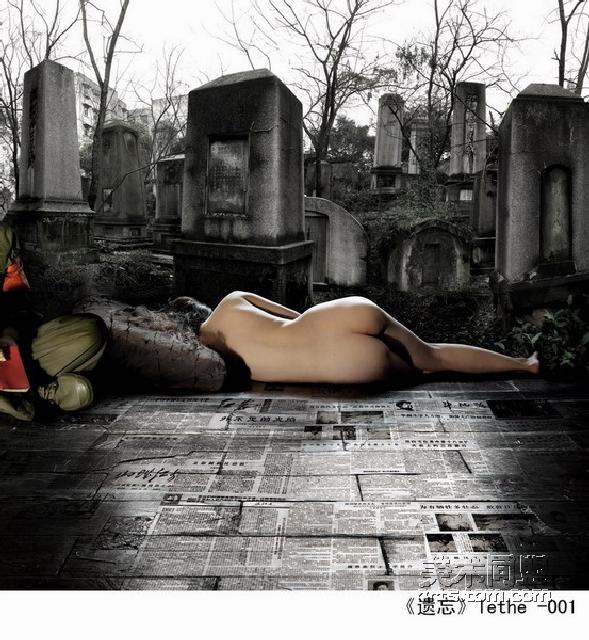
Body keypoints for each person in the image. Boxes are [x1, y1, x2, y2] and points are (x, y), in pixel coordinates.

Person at [198, 291, 539, 385]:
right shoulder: (230, 300)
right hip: (330, 318)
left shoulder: (208, 353)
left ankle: (524, 366)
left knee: (425, 371)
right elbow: (292, 315)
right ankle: (525, 364)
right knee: (433, 354)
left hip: (341, 364)